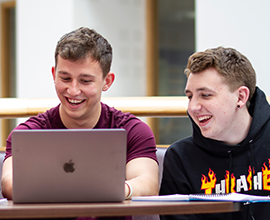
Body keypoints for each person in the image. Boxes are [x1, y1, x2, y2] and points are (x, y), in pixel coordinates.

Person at [1, 27, 159, 220]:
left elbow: (148, 184)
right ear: (54, 74)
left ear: (107, 81)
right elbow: (9, 184)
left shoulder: (132, 130)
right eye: (65, 78)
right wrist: (93, 189)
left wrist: (116, 189)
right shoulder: (28, 132)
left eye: (85, 81)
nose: (73, 90)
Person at [159, 46, 270, 219]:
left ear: (240, 97)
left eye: (205, 95)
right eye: (189, 96)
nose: (193, 107)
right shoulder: (180, 157)